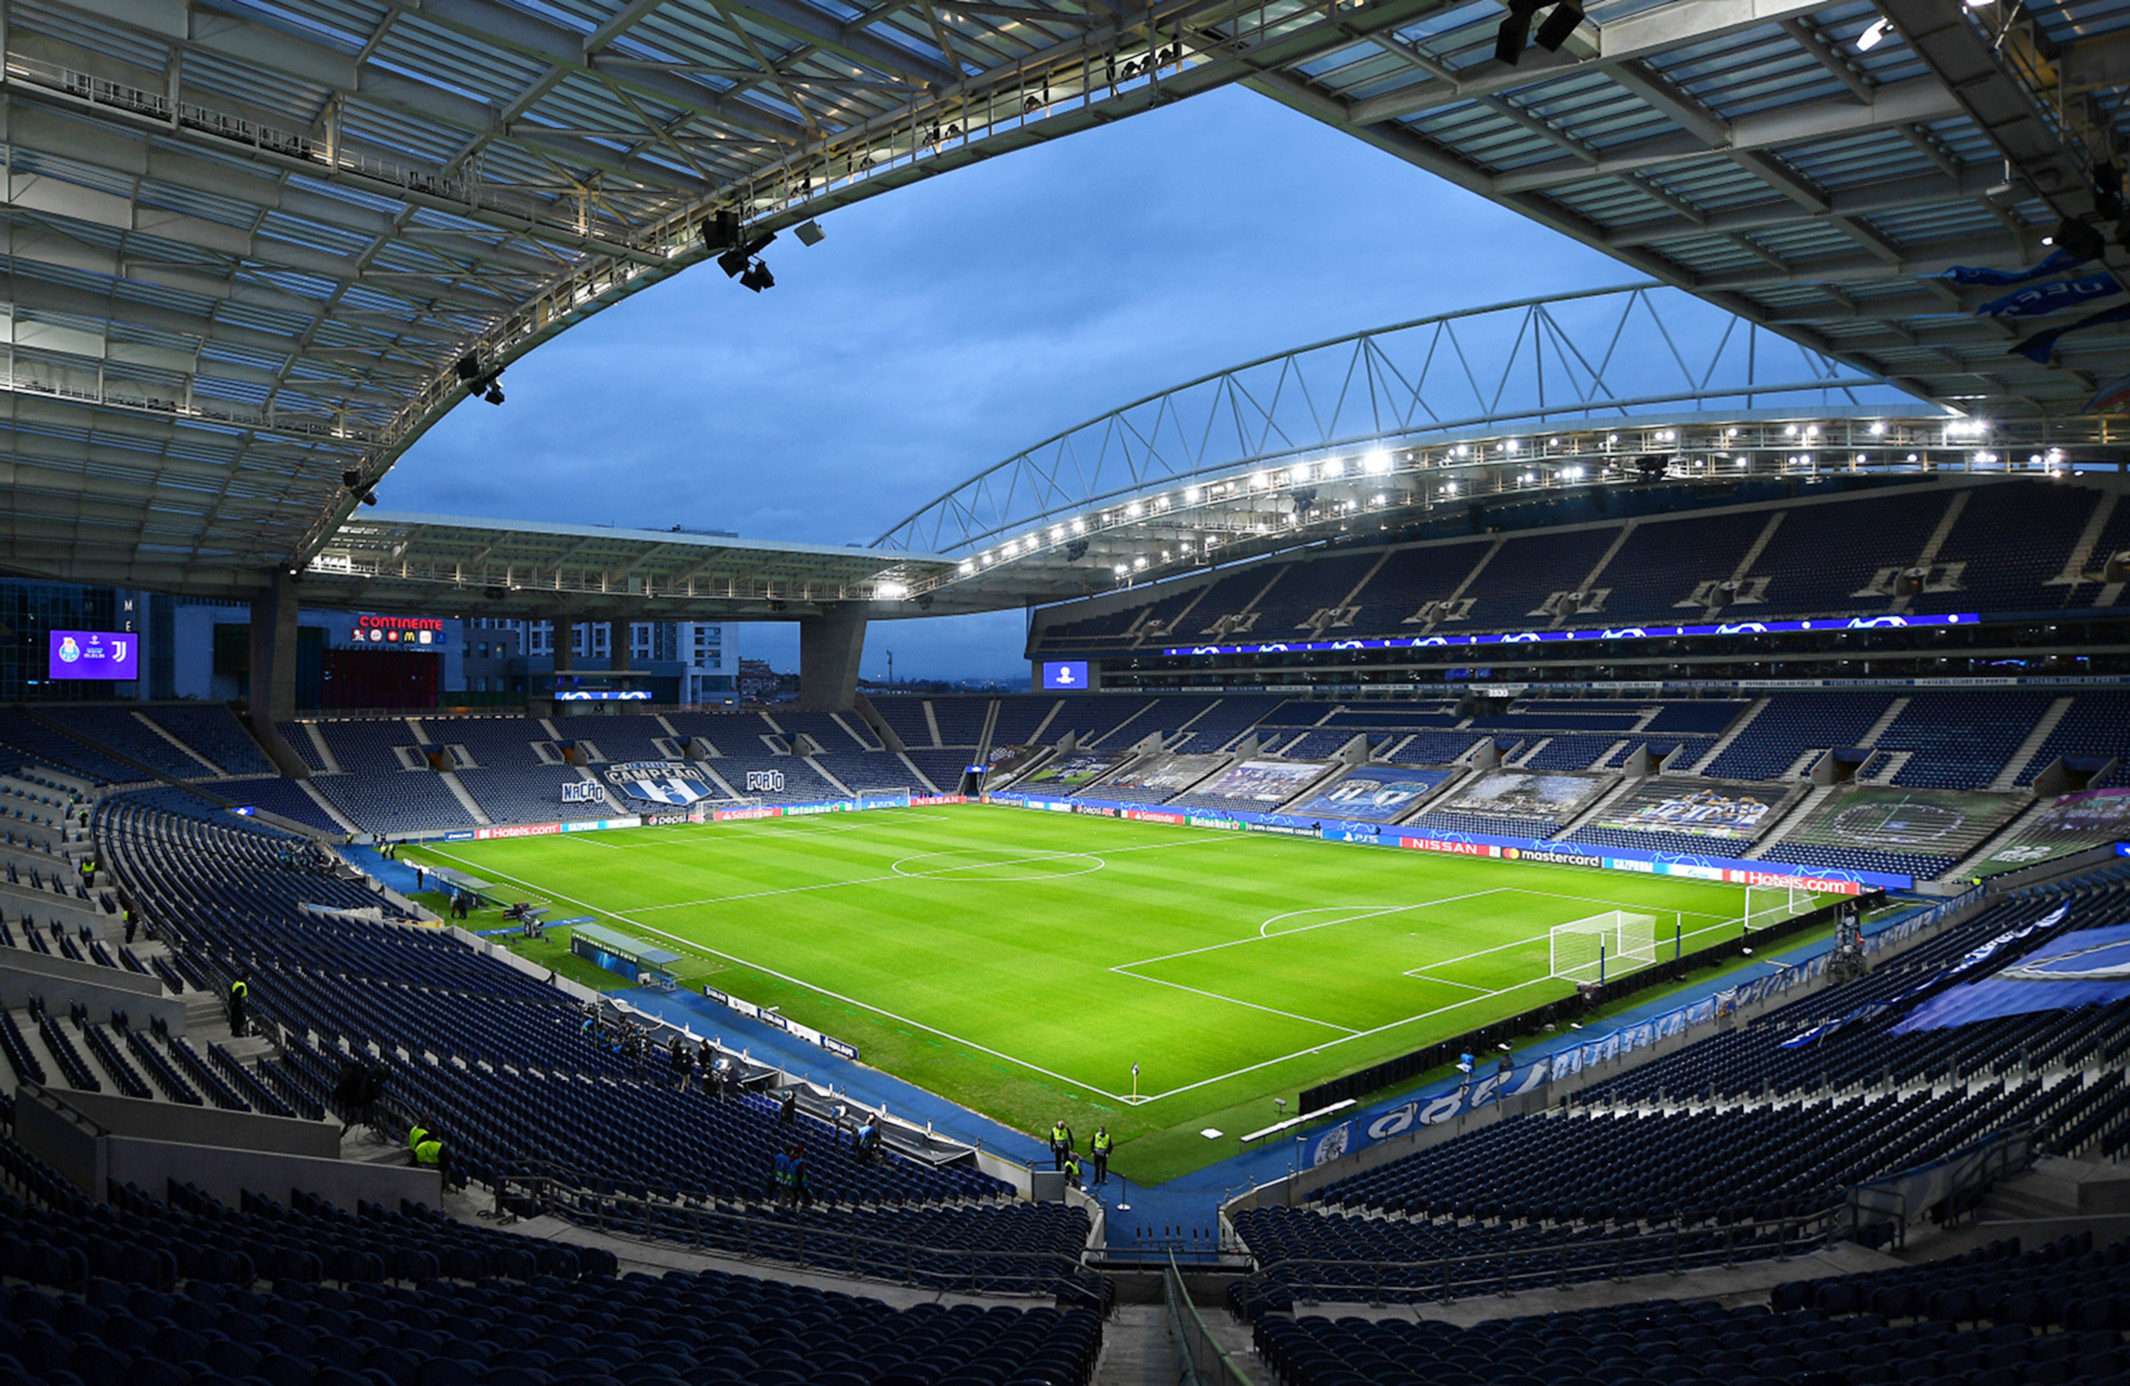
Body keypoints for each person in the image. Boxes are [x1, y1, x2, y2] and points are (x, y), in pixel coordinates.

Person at [227, 971, 251, 1038]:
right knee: (239, 1018)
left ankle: (234, 1032)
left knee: (234, 1018)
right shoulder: (242, 985)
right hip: (238, 1004)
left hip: (235, 1004)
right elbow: (237, 996)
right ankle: (237, 1032)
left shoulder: (237, 983)